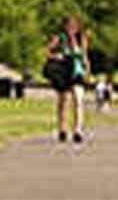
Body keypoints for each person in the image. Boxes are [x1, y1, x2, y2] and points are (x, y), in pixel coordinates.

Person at [46, 15, 91, 144]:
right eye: (70, 25)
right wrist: (57, 56)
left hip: (77, 72)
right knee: (63, 102)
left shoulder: (81, 39)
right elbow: (48, 52)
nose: (72, 28)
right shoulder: (59, 38)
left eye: (74, 25)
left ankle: (78, 130)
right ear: (65, 26)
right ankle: (62, 129)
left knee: (78, 99)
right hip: (64, 72)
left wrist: (88, 70)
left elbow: (84, 55)